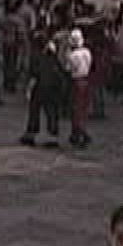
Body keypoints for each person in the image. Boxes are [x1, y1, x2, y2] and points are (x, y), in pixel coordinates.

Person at [20, 8, 69, 148]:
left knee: (35, 110)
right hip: (53, 84)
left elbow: (32, 72)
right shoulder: (52, 54)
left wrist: (28, 87)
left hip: (40, 84)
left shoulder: (35, 56)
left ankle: (31, 134)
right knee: (51, 110)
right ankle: (52, 135)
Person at [66, 27, 93, 148]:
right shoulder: (87, 52)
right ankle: (82, 130)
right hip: (86, 80)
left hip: (76, 81)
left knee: (76, 108)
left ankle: (78, 132)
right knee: (83, 108)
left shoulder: (73, 55)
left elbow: (69, 68)